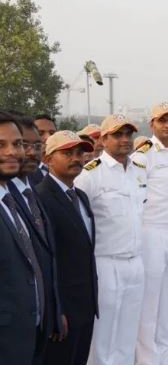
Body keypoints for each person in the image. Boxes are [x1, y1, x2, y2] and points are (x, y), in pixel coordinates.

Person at [73, 115, 147, 365]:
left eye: (128, 134)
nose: (125, 139)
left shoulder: (139, 171)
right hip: (105, 262)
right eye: (117, 134)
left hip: (135, 261)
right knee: (103, 333)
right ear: (103, 139)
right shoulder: (90, 175)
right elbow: (78, 223)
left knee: (128, 330)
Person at [132, 102, 168, 365]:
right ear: (152, 124)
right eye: (162, 120)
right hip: (152, 232)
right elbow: (136, 199)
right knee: (150, 301)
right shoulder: (143, 156)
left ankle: (163, 354)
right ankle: (147, 359)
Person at [36, 131, 98, 365]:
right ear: (48, 159)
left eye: (80, 153)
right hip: (62, 309)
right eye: (67, 153)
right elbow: (45, 260)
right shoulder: (40, 198)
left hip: (85, 303)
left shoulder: (80, 196)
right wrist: (56, 309)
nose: (76, 158)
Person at [6, 114, 63, 364]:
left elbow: (44, 261)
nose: (28, 152)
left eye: (35, 145)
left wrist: (54, 311)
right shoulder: (11, 196)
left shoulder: (28, 193)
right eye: (24, 144)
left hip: (36, 325)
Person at [0, 111, 47, 364]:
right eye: (1, 145)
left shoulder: (13, 201)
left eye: (17, 144)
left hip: (27, 335)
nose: (12, 152)